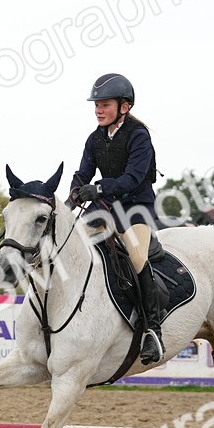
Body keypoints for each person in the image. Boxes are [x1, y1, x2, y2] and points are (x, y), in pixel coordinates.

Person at [68, 73, 164, 364]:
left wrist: (97, 188)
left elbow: (132, 179)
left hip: (136, 208)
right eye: (96, 104)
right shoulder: (94, 138)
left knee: (136, 258)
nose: (98, 109)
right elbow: (82, 174)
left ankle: (152, 330)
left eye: (105, 104)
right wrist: (70, 199)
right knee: (72, 249)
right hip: (105, 208)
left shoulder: (139, 136)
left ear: (124, 107)